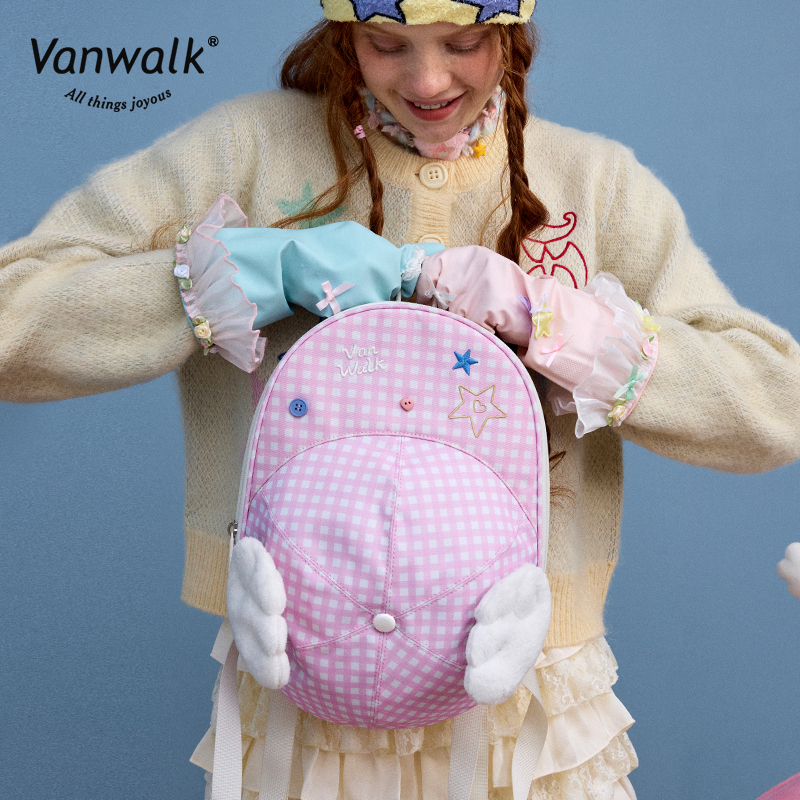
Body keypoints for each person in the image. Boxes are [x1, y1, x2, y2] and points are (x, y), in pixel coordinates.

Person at [1, 1, 799, 799]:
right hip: (296, 674)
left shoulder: (598, 184)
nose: (427, 79)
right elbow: (16, 319)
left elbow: (776, 405)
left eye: (463, 43)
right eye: (387, 45)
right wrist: (244, 271)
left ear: (512, 35)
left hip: (530, 695)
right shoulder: (244, 148)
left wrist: (558, 325)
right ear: (344, 34)